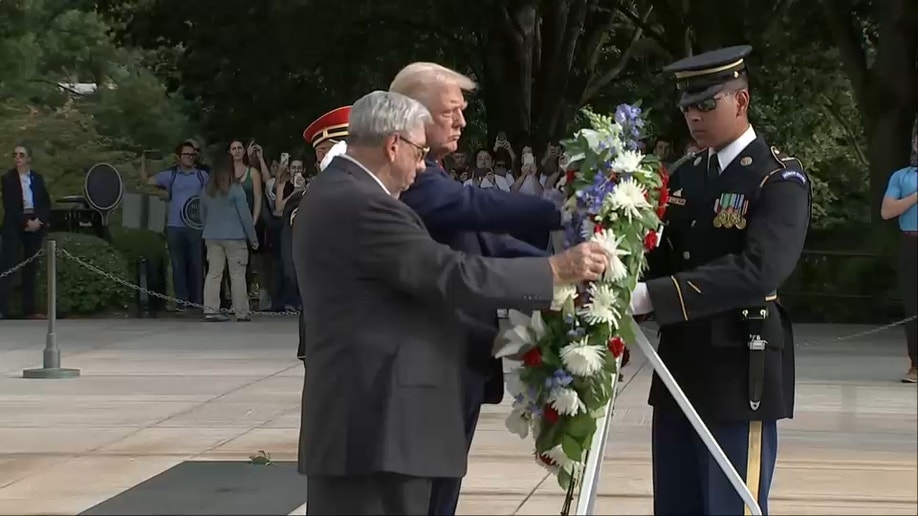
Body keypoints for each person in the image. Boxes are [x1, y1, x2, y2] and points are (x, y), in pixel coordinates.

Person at [293, 90, 609, 516]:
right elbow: (450, 273)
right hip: (378, 429)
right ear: (393, 145)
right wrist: (555, 270)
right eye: (420, 152)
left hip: (368, 426)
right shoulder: (364, 204)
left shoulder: (338, 192)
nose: (422, 166)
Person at [629, 45, 811, 515]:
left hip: (737, 366)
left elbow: (760, 270)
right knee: (676, 502)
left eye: (707, 103)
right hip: (680, 365)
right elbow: (661, 257)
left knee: (732, 504)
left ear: (742, 100)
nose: (694, 115)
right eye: (687, 106)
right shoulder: (687, 176)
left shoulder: (777, 178)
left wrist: (653, 295)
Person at [390, 61, 563, 516]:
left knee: (442, 491)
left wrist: (562, 269)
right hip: (431, 365)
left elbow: (490, 244)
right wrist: (562, 211)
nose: (463, 122)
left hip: (455, 361)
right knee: (427, 497)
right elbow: (476, 207)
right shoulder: (413, 180)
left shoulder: (435, 172)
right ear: (414, 115)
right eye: (452, 111)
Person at [143, 141, 209, 309]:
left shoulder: (202, 176)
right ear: (178, 157)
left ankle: (198, 301)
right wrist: (144, 161)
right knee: (178, 265)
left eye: (192, 154)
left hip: (196, 226)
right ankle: (182, 302)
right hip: (174, 226)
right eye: (186, 155)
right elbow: (147, 180)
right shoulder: (170, 175)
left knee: (196, 264)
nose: (189, 157)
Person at [200, 154, 259, 322]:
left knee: (213, 274)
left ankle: (210, 310)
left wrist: (207, 230)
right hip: (235, 237)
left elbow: (202, 215)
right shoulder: (236, 189)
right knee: (237, 275)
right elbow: (245, 216)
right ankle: (241, 312)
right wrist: (253, 238)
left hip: (212, 236)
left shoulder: (206, 189)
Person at [880, 129, 918, 383]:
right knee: (913, 304)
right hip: (911, 241)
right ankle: (916, 364)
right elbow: (887, 210)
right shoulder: (902, 176)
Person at [0, 144, 51, 320]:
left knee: (31, 267)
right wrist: (25, 222)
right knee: (9, 265)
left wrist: (38, 221)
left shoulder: (37, 178)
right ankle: (2, 309)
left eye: (22, 155)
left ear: (29, 158)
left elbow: (45, 203)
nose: (18, 158)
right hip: (15, 225)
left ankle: (29, 309)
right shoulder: (8, 179)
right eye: (15, 155)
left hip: (35, 223)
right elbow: (10, 206)